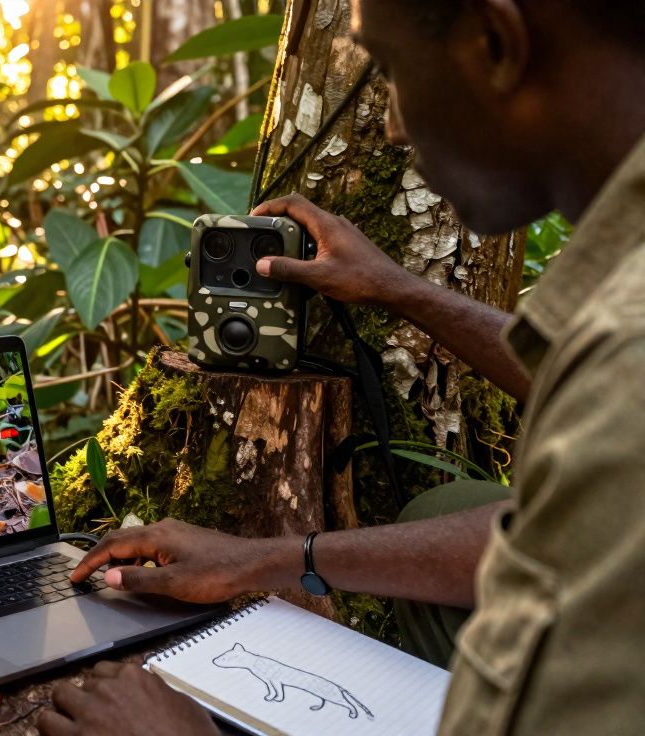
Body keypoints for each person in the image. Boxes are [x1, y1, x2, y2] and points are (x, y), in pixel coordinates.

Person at [39, 0, 645, 733]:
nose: (390, 123)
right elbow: (570, 412)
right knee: (440, 514)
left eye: (388, 70)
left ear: (495, 43)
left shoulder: (626, 363)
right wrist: (397, 288)